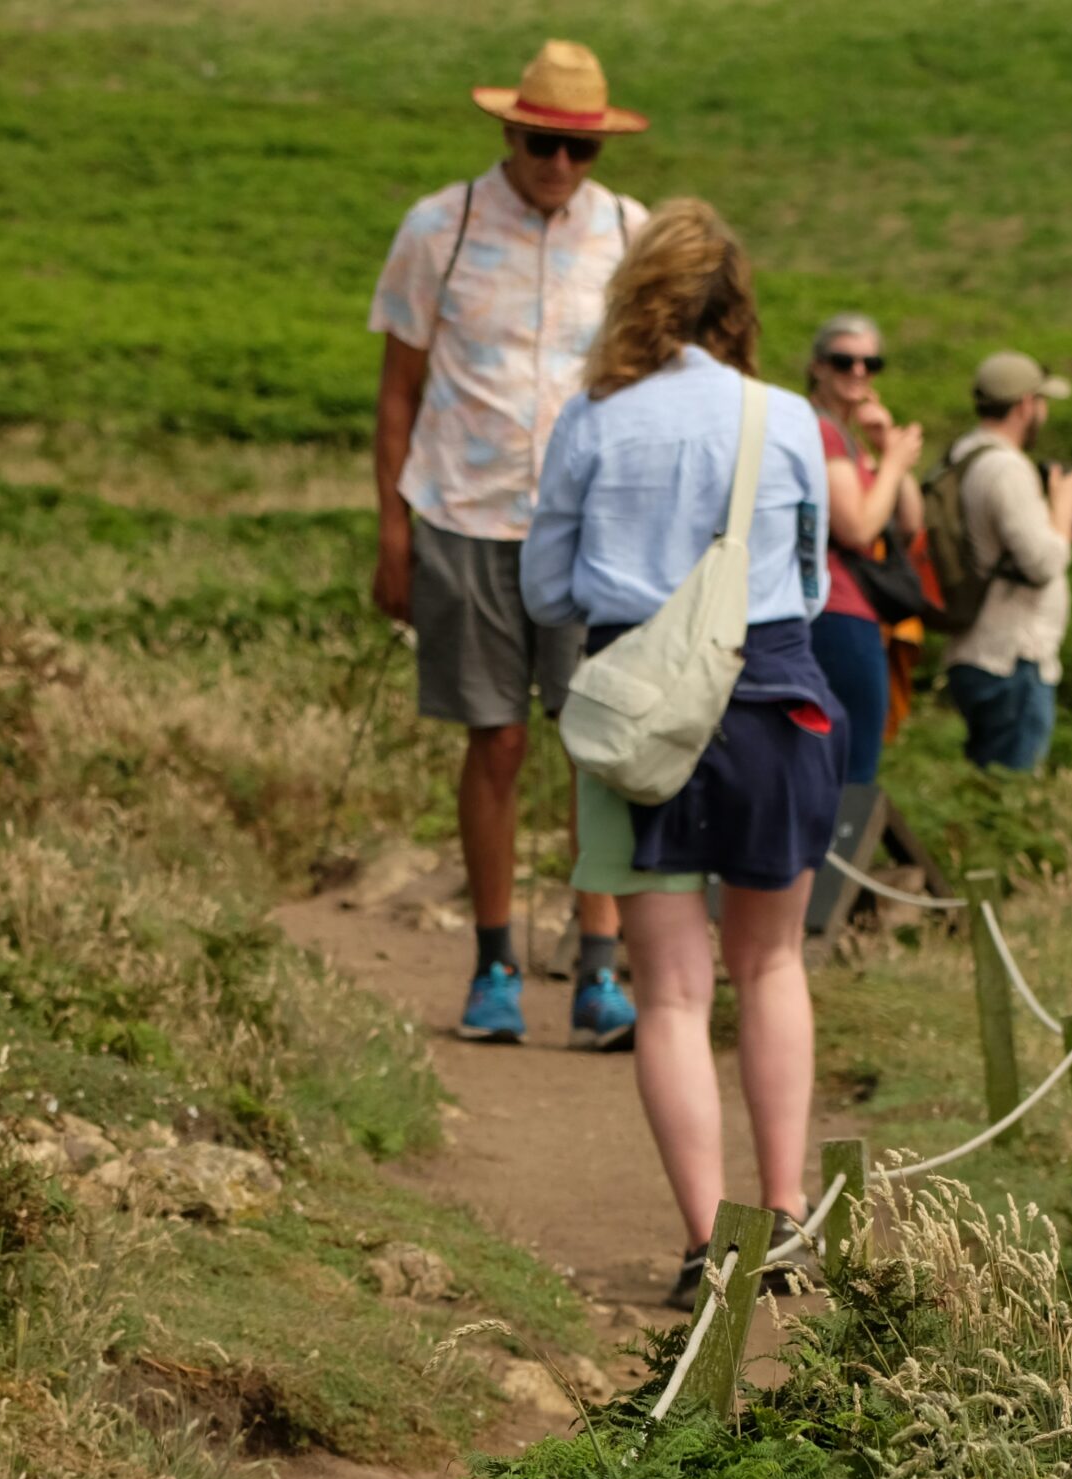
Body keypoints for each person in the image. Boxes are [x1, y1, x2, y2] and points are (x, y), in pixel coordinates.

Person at [522, 199, 847, 1310]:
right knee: (772, 965)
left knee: (667, 992)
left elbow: (545, 590)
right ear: (738, 304)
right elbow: (809, 580)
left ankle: (710, 1242)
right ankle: (788, 1217)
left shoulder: (594, 419)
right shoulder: (787, 416)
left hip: (636, 721)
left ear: (639, 293)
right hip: (773, 698)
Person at [368, 40, 648, 1049]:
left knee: (598, 747)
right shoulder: (437, 229)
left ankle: (599, 973)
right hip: (466, 513)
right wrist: (392, 527)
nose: (560, 167)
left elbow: (653, 394)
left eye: (581, 150)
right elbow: (398, 391)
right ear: (508, 131)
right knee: (498, 738)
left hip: (593, 531)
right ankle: (492, 966)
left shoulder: (630, 237)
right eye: (543, 144)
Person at [942, 351, 1072, 771]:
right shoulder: (1007, 468)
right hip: (1011, 657)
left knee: (985, 785)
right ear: (1026, 404)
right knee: (1007, 789)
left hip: (976, 646)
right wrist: (1063, 509)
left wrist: (1059, 524)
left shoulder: (966, 453)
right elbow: (1043, 563)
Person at [805, 313, 925, 784]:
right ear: (817, 367)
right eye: (843, 361)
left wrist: (883, 445)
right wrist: (892, 464)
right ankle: (830, 855)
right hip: (836, 611)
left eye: (870, 363)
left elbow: (910, 523)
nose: (858, 372)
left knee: (849, 761)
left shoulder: (847, 437)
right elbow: (856, 527)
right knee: (850, 769)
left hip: (852, 612)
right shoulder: (822, 432)